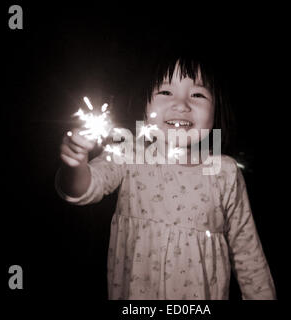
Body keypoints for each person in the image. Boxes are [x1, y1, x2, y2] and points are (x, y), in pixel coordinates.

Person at [55, 49, 276, 300]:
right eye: (166, 92)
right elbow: (83, 190)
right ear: (145, 103)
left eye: (198, 94)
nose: (181, 105)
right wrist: (74, 165)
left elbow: (249, 255)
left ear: (217, 109)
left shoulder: (225, 173)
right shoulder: (130, 153)